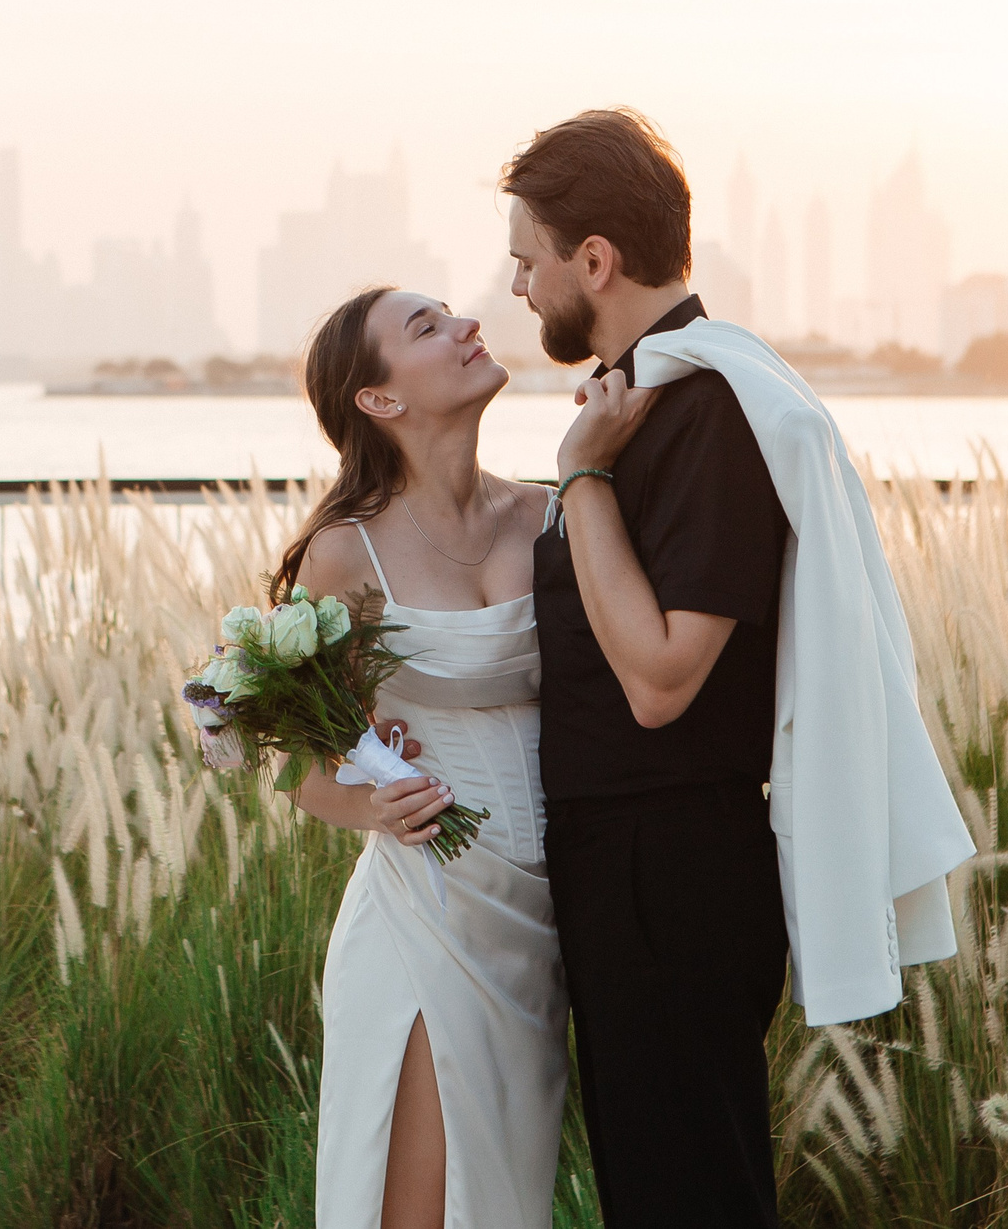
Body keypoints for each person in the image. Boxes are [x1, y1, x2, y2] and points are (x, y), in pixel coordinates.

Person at [500, 109, 793, 1228]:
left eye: (527, 258)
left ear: (594, 259)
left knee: (689, 1194)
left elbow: (662, 678)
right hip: (627, 866)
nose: (518, 287)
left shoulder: (707, 406)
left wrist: (580, 480)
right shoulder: (645, 397)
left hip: (669, 869)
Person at [279, 285, 566, 1229]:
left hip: (538, 918)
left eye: (453, 314)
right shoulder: (345, 555)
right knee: (420, 1206)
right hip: (426, 910)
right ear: (380, 400)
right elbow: (308, 773)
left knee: (505, 1199)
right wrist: (376, 806)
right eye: (427, 328)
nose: (465, 326)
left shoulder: (553, 515)